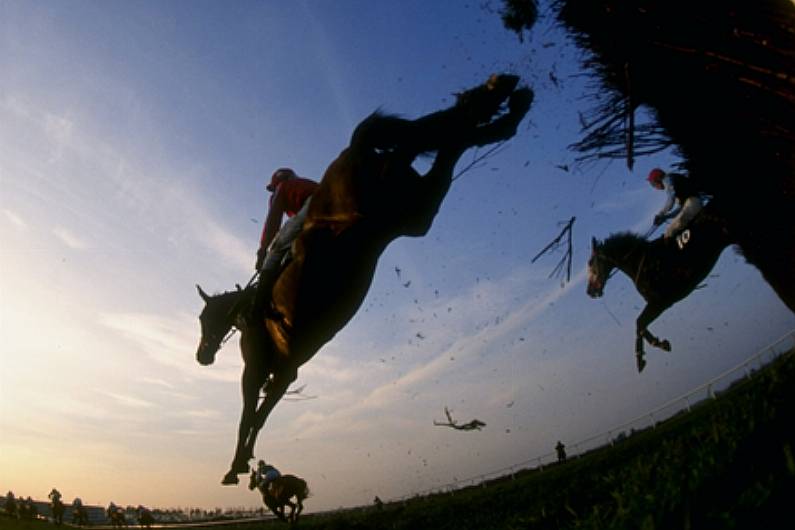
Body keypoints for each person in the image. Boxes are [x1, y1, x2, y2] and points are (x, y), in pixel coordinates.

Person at [249, 168, 319, 322]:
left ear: (276, 184)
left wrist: (262, 250)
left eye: (273, 188)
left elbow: (272, 221)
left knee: (276, 248)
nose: (273, 191)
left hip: (312, 206)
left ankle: (258, 308)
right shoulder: (305, 184)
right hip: (326, 203)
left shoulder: (282, 189)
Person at [647, 168, 703, 240]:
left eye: (653, 184)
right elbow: (680, 209)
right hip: (694, 204)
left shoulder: (667, 179)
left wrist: (660, 214)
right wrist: (666, 217)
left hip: (693, 203)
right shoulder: (675, 184)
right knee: (673, 229)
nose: (654, 187)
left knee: (670, 231)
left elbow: (671, 200)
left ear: (658, 179)